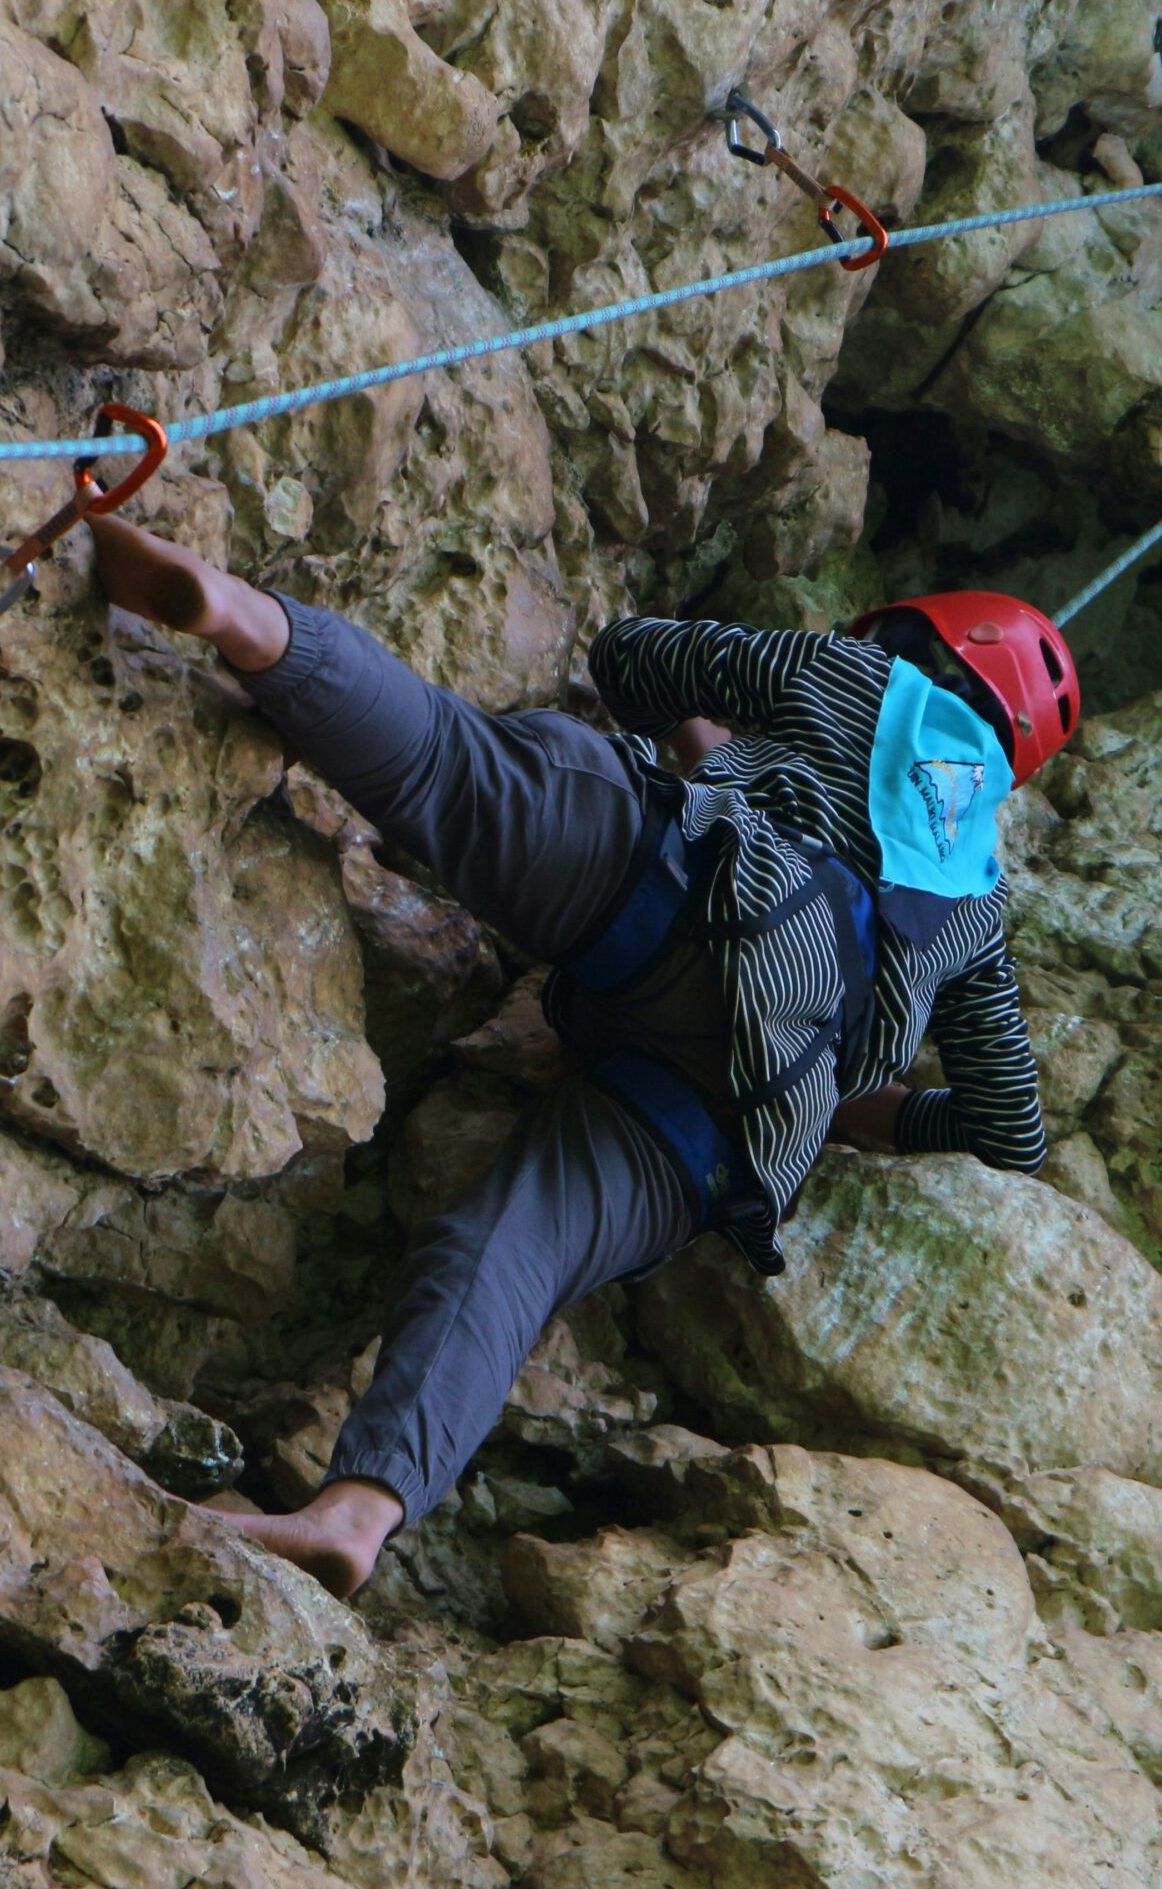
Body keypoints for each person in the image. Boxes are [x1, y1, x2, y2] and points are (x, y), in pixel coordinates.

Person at [91, 516, 1077, 1596]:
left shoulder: (841, 670)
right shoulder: (976, 901)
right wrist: (852, 1106)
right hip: (727, 1103)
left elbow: (630, 658)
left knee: (443, 768)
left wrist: (707, 755)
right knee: (505, 1255)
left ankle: (244, 620)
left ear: (913, 638)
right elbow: (1007, 1133)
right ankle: (355, 1513)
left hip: (677, 880)